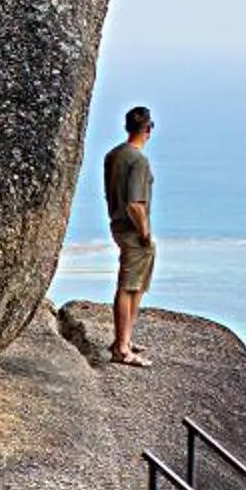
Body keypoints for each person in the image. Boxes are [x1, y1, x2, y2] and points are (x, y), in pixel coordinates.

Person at [103, 104, 156, 367]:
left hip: (117, 225)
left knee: (135, 285)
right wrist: (145, 232)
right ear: (147, 129)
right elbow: (135, 203)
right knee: (128, 286)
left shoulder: (114, 155)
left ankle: (124, 338)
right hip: (133, 230)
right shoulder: (138, 160)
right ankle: (122, 348)